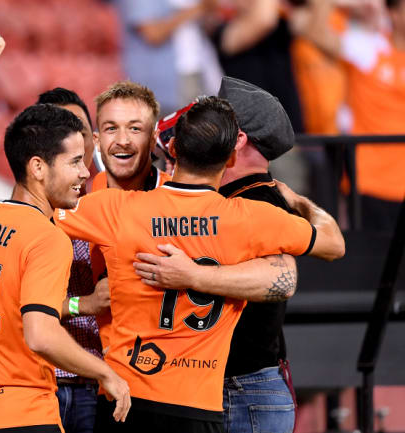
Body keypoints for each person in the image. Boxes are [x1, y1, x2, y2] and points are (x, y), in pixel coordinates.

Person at [55, 96, 345, 432]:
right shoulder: (250, 218)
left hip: (125, 399)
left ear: (173, 148)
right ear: (231, 155)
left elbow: (35, 208)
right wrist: (298, 202)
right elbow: (333, 243)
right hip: (196, 407)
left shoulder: (115, 209)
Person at [0, 104, 131, 433]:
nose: (85, 173)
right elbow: (41, 335)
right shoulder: (46, 236)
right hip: (25, 415)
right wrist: (105, 373)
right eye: (75, 161)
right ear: (37, 167)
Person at [134, 76, 307, 433]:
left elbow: (296, 269)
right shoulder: (239, 198)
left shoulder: (256, 202)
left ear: (237, 139)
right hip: (228, 387)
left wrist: (193, 277)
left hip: (243, 389)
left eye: (218, 122)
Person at [296, 0, 405, 230]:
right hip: (371, 183)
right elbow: (315, 32)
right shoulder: (369, 48)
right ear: (393, 14)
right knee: (372, 262)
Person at [34, 87, 102, 433]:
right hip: (42, 382)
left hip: (103, 385)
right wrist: (81, 304)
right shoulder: (18, 220)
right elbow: (17, 309)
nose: (73, 141)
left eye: (79, 130)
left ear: (94, 139)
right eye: (60, 133)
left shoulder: (116, 208)